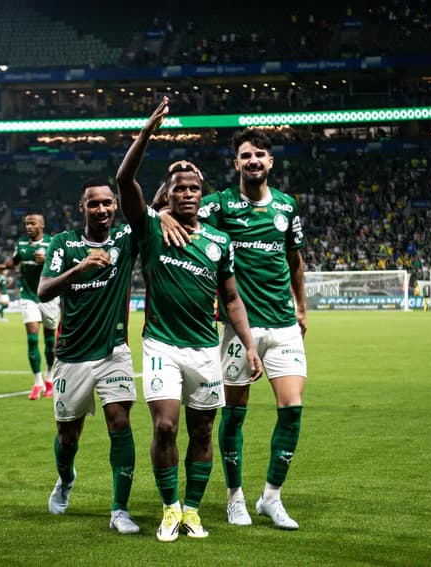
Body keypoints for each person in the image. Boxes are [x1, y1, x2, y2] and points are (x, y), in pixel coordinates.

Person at [116, 97, 262, 542]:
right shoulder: (152, 229)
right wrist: (147, 133)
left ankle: (193, 510)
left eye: (193, 188)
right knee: (165, 425)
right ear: (168, 194)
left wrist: (250, 344)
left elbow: (232, 299)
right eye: (178, 188)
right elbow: (124, 181)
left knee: (202, 431)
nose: (186, 193)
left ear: (202, 195)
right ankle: (169, 507)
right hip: (161, 345)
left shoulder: (219, 241)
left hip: (205, 350)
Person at [157, 125, 307, 530]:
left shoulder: (288, 207)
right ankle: (235, 497)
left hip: (283, 325)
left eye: (260, 154)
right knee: (234, 417)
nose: (253, 160)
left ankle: (271, 498)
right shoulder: (220, 204)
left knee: (292, 412)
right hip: (240, 330)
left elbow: (295, 261)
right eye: (246, 155)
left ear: (270, 162)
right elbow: (172, 208)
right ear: (236, 163)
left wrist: (303, 308)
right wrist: (164, 213)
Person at [37, 179, 141, 535]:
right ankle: (65, 479)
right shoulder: (63, 244)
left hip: (114, 351)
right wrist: (79, 269)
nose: (102, 210)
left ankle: (120, 510)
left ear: (116, 206)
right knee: (68, 437)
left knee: (120, 423)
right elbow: (43, 290)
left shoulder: (125, 240)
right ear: (82, 207)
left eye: (108, 203)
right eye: (94, 204)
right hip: (72, 354)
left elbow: (152, 204)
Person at [0, 212, 59, 400]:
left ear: (42, 226)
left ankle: (50, 377)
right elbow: (15, 261)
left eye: (33, 223)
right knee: (31, 339)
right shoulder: (21, 244)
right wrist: (3, 267)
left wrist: (47, 261)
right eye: (27, 224)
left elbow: (63, 266)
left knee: (49, 342)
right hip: (28, 295)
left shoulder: (52, 243)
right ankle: (37, 382)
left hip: (49, 296)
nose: (29, 227)